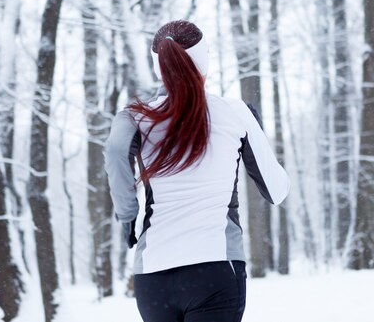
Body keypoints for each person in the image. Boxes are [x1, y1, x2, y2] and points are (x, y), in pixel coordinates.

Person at [104, 20, 290, 322]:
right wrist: (255, 128)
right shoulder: (234, 112)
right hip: (214, 271)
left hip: (154, 278)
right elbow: (277, 191)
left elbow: (114, 151)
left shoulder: (135, 118)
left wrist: (127, 215)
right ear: (204, 60)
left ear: (159, 67)